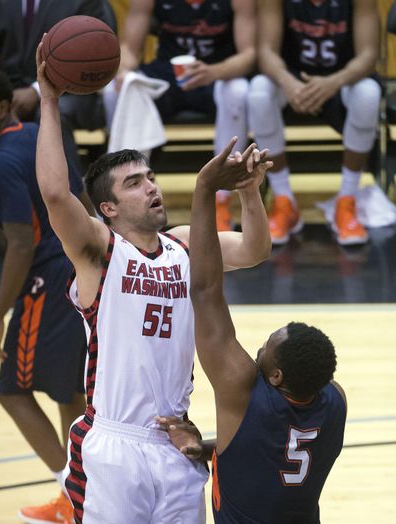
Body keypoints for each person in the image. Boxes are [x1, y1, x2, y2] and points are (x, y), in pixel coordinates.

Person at [35, 37, 271, 523]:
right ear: (108, 209)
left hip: (176, 442)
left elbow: (252, 250)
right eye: (134, 183)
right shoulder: (100, 251)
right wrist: (49, 100)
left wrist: (249, 192)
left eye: (150, 177)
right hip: (113, 445)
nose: (151, 187)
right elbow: (57, 195)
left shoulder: (185, 242)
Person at [158, 135, 347, 523]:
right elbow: (277, 451)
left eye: (265, 350)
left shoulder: (243, 393)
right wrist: (209, 447)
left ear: (276, 376)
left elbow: (206, 291)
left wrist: (206, 189)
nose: (257, 351)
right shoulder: (335, 402)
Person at [0, 71, 90, 523]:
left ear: (1, 106)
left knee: (12, 390)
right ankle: (81, 496)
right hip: (81, 262)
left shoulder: (0, 161)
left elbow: (20, 244)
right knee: (70, 392)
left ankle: (71, 497)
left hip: (46, 278)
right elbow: (80, 194)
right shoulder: (36, 134)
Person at [105, 0, 257, 231]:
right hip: (168, 72)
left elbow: (249, 55)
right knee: (115, 91)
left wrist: (214, 72)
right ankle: (129, 199)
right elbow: (129, 48)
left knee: (238, 91)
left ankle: (222, 200)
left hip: (216, 72)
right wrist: (124, 71)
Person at [247, 0, 381, 246]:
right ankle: (283, 201)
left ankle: (347, 201)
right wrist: (288, 82)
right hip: (292, 80)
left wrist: (333, 82)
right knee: (258, 92)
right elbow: (265, 52)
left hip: (343, 79)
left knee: (369, 94)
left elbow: (369, 54)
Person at [0, 0, 116, 174]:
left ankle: (70, 192)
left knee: (51, 113)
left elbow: (99, 55)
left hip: (74, 91)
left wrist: (37, 90)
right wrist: (4, 93)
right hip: (11, 89)